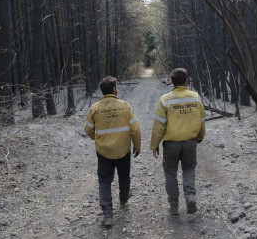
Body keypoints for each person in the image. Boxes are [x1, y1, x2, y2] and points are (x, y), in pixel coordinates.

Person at [85, 76, 141, 226]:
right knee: (124, 175)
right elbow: (135, 129)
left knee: (104, 180)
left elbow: (88, 129)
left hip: (104, 151)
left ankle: (108, 214)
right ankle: (123, 198)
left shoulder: (94, 108)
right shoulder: (125, 106)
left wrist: (97, 139)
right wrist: (137, 146)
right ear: (114, 89)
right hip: (123, 150)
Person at [150, 68, 205, 216]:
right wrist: (200, 136)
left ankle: (174, 206)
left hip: (171, 145)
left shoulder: (165, 100)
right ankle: (190, 197)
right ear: (187, 81)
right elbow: (201, 120)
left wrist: (155, 144)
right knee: (188, 169)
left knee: (170, 173)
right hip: (190, 142)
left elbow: (159, 125)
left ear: (172, 82)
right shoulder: (195, 98)